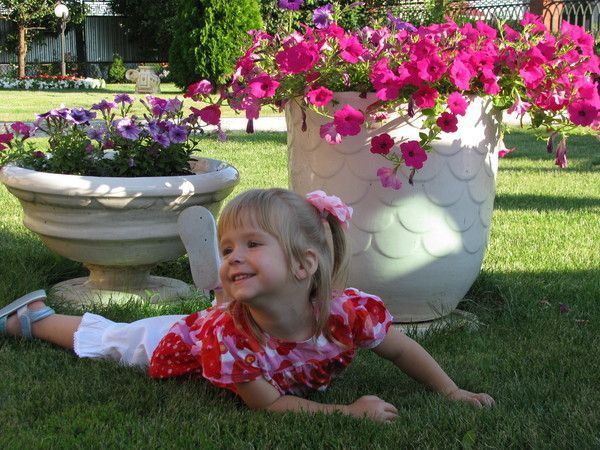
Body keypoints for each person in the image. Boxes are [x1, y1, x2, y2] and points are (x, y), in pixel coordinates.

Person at [0, 188, 494, 423]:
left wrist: (451, 390)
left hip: (220, 319)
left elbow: (402, 350)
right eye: (227, 248)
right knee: (114, 339)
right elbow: (269, 403)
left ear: (303, 265)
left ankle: (38, 318)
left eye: (252, 245)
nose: (233, 256)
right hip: (178, 340)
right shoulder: (230, 338)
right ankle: (35, 320)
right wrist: (348, 411)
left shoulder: (350, 314)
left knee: (120, 334)